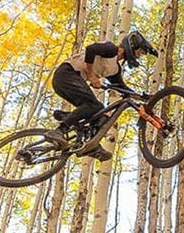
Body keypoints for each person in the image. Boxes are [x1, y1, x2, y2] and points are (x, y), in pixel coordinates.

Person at [51, 29, 158, 159]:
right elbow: (91, 49)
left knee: (100, 114)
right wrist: (91, 75)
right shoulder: (111, 49)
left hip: (69, 81)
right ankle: (59, 130)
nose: (138, 56)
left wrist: (143, 97)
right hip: (66, 74)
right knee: (94, 106)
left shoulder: (115, 69)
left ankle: (90, 145)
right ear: (131, 47)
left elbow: (122, 88)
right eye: (139, 52)